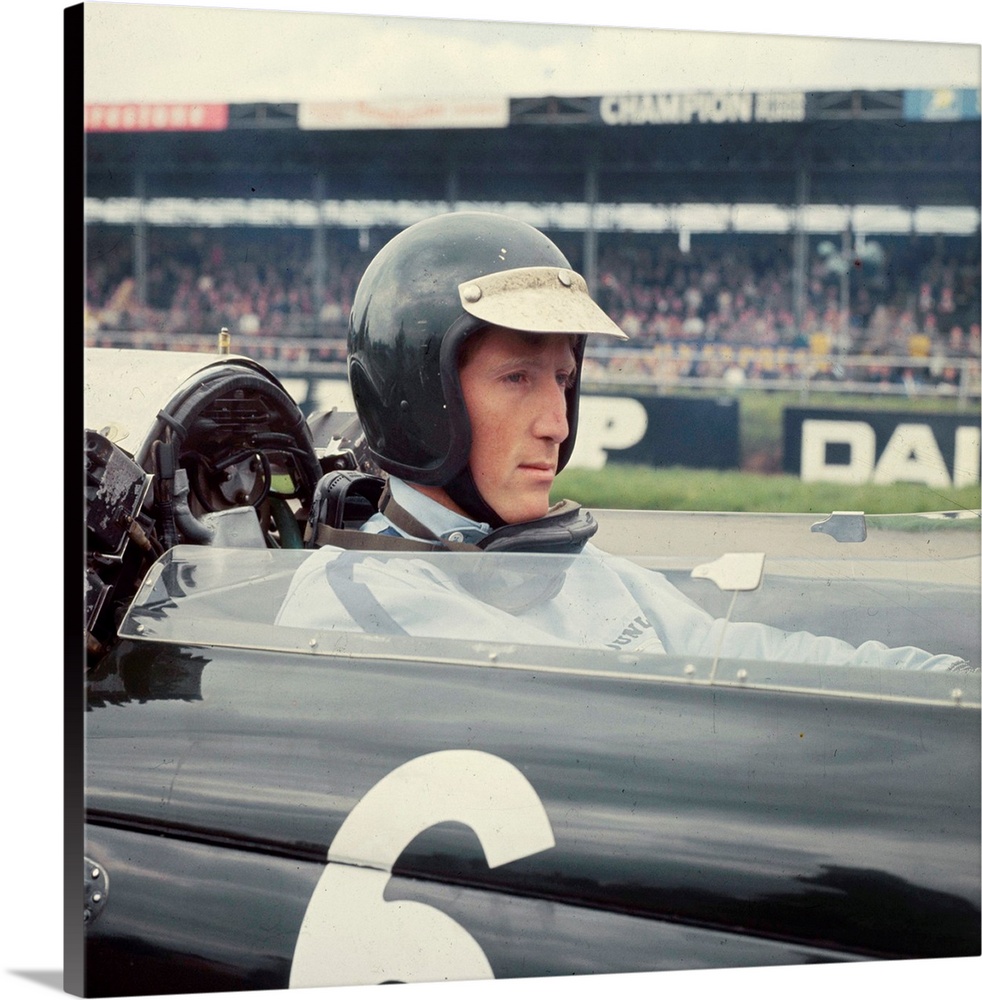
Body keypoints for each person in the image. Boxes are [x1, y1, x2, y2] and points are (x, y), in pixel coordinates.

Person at [276, 212, 970, 673]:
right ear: (420, 399)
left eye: (563, 381)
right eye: (517, 378)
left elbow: (742, 650)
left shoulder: (567, 564)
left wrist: (944, 680)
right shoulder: (348, 605)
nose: (557, 422)